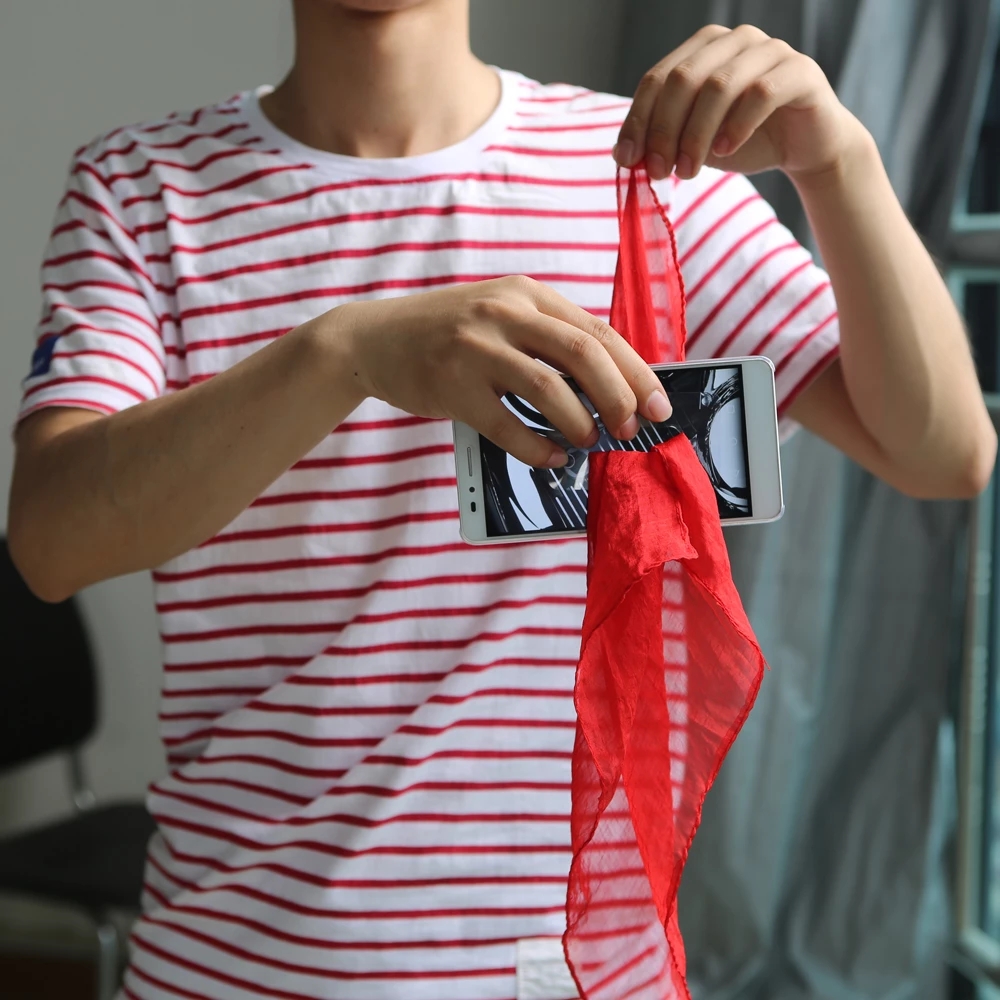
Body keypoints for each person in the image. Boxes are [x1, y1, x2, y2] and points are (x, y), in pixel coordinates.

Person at [7, 1, 995, 997]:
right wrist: (345, 354)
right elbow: (50, 541)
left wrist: (839, 162)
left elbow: (943, 450)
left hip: (573, 970)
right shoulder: (138, 188)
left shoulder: (648, 170)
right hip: (240, 965)